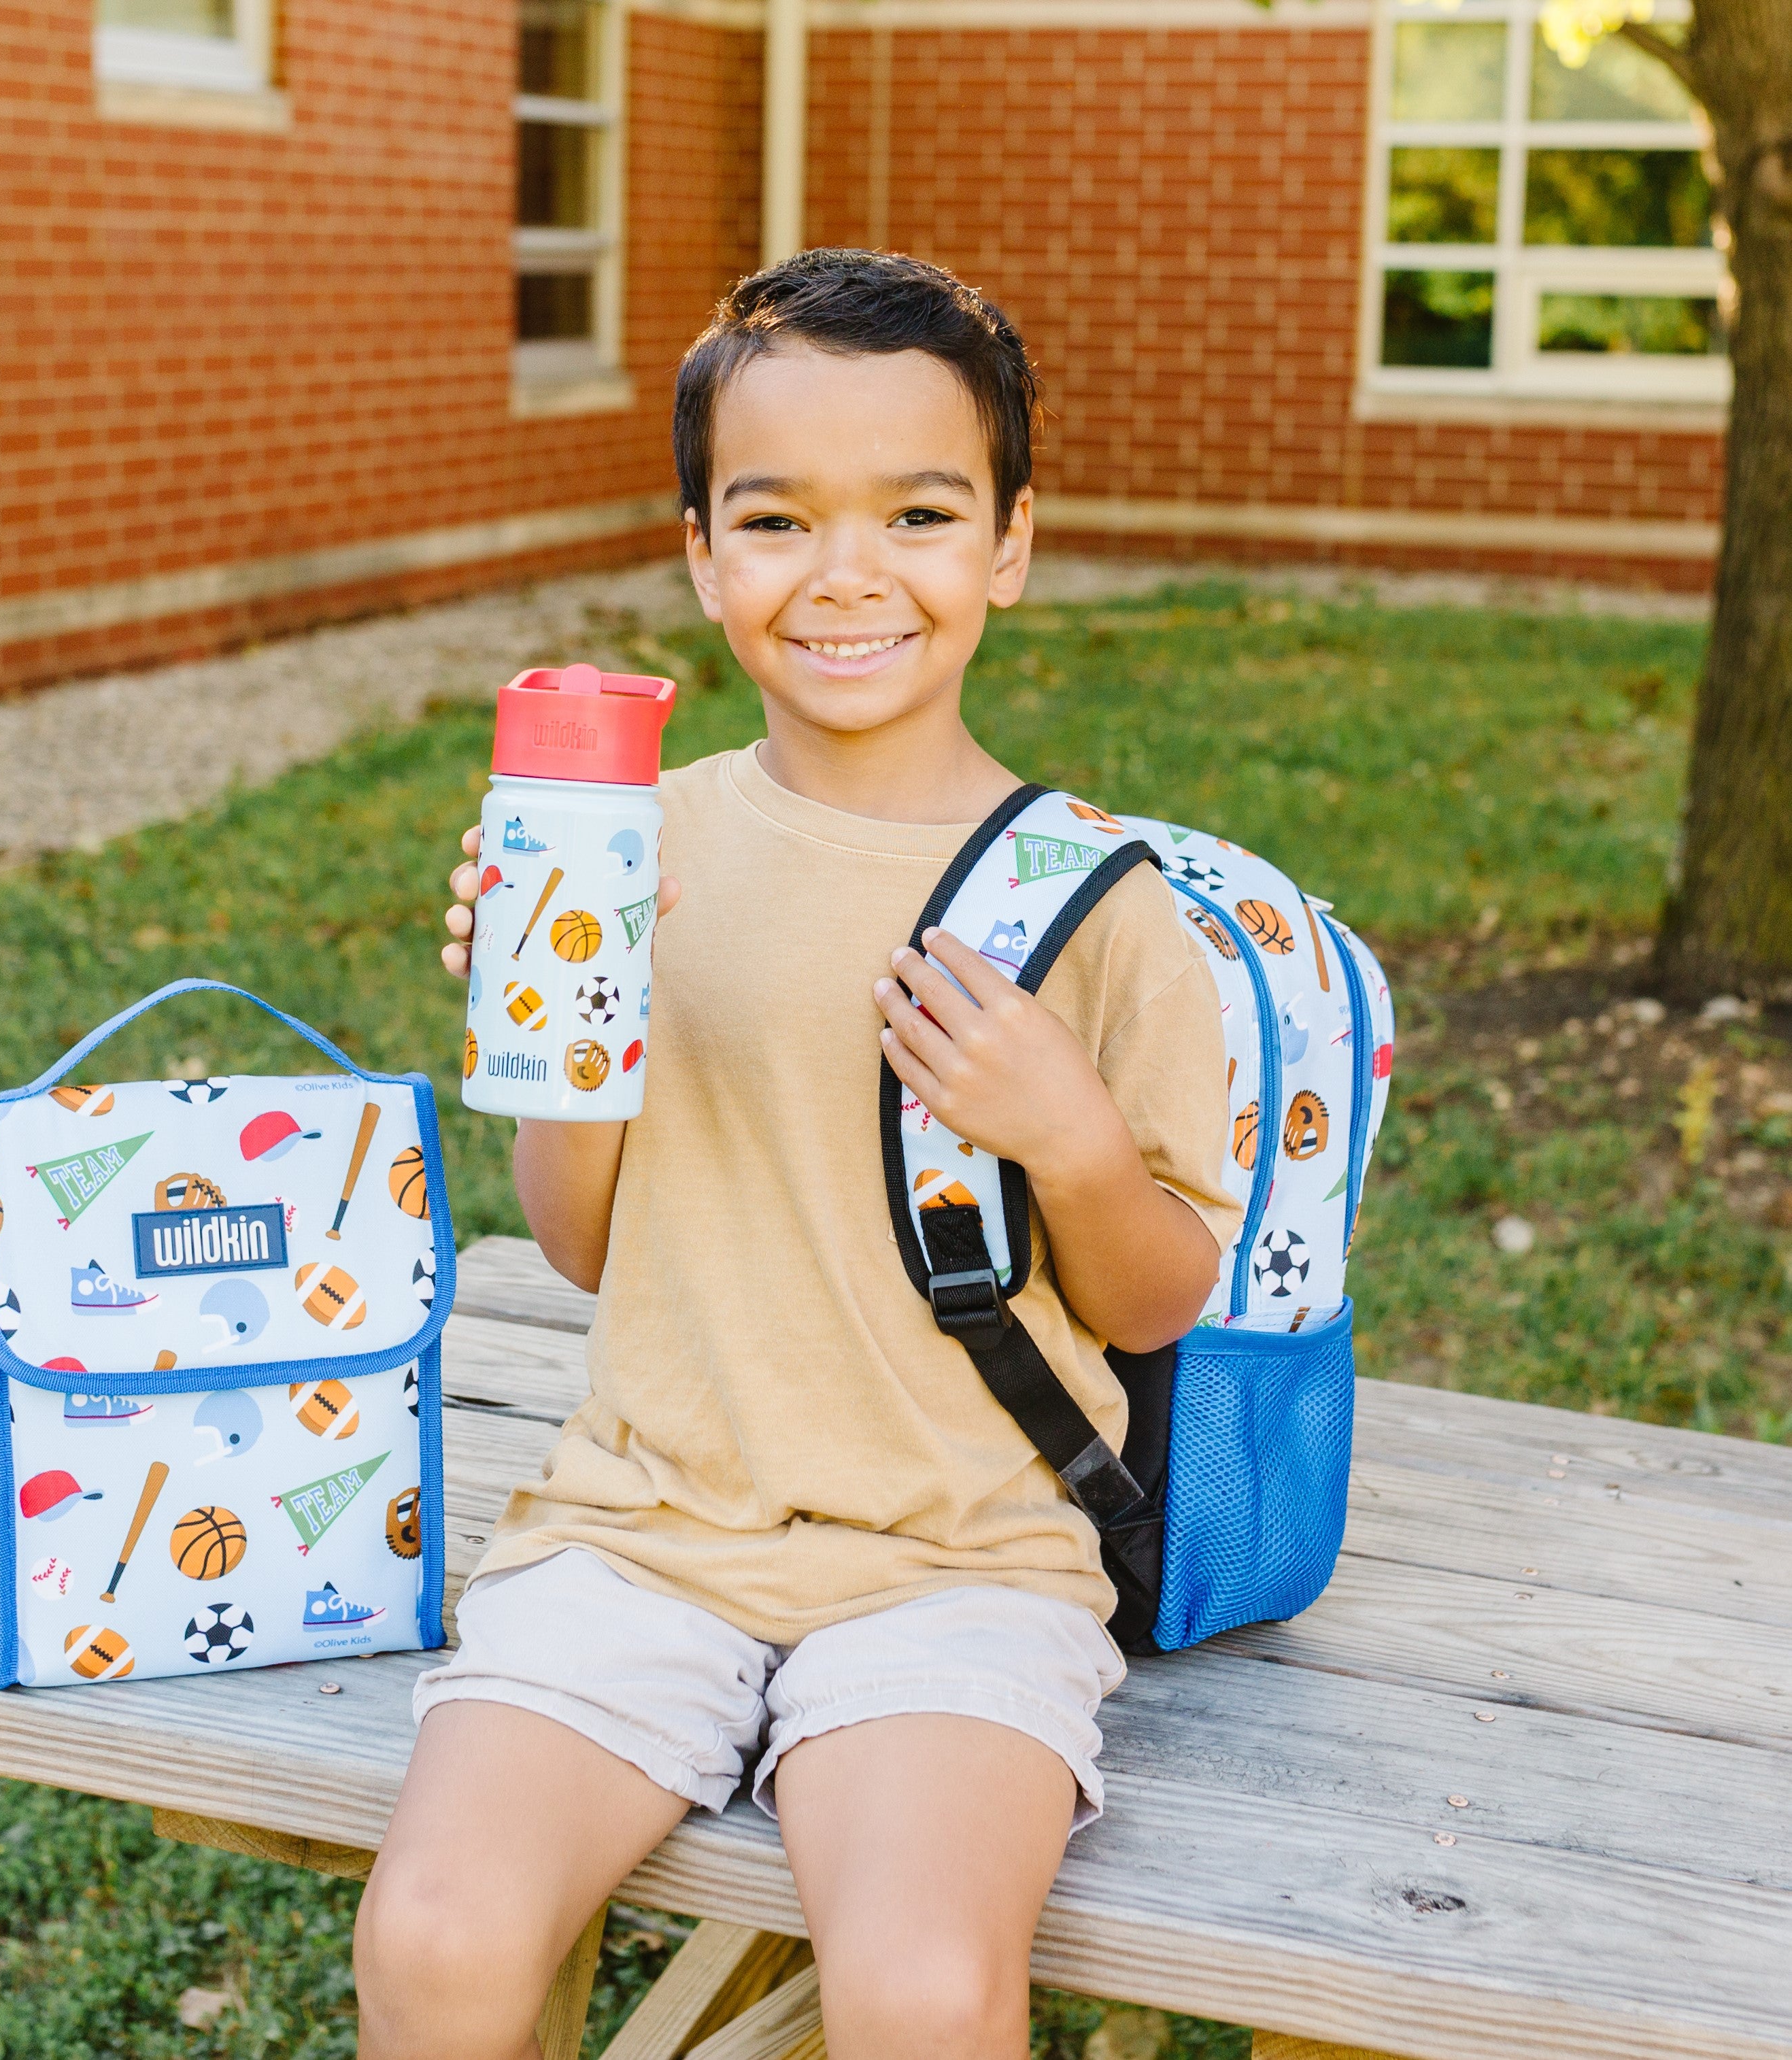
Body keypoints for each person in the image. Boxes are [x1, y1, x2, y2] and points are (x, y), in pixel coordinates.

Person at [353, 249, 1240, 2060]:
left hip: (963, 1565)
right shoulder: (628, 846)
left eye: (919, 513)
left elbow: (1161, 1297)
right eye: (775, 520)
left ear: (1008, 545)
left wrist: (1069, 1136)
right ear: (703, 556)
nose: (847, 573)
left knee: (921, 1990)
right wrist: (562, 1023)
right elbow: (585, 1244)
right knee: (437, 1937)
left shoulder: (1098, 901)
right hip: (642, 1532)